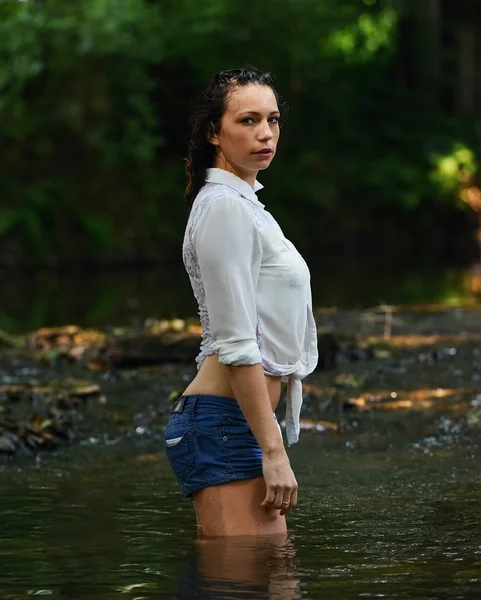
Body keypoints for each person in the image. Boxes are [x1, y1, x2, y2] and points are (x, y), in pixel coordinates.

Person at [163, 67, 318, 537]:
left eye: (272, 120)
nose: (265, 133)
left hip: (239, 424)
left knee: (270, 577)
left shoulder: (246, 206)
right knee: (251, 578)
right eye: (247, 120)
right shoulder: (225, 208)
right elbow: (236, 343)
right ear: (214, 132)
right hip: (223, 426)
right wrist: (273, 451)